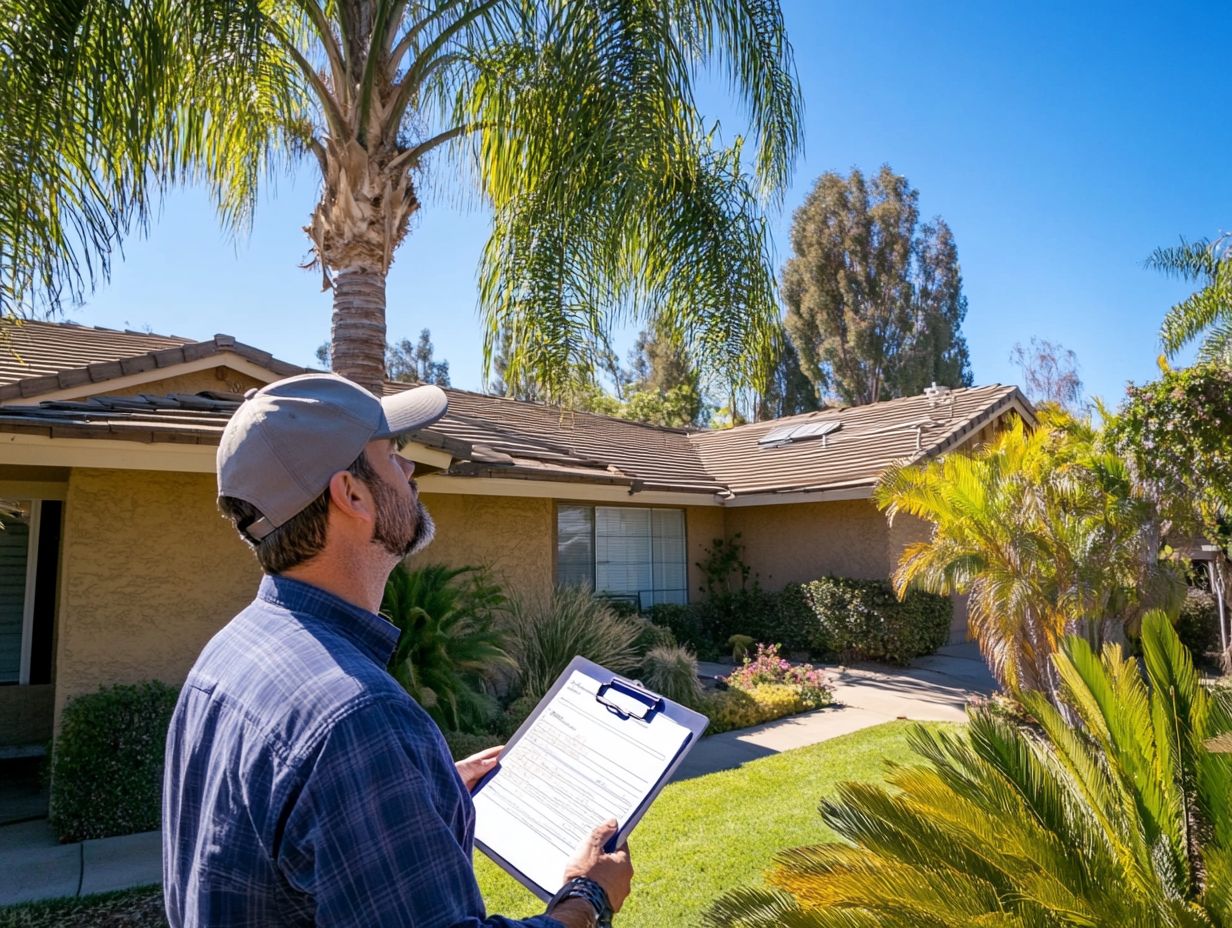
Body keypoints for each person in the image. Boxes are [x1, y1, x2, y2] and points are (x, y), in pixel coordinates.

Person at [163, 373, 633, 927]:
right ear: (352, 495)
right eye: (392, 453)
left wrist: (412, 790)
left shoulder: (229, 653)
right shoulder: (356, 720)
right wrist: (588, 896)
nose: (410, 470)